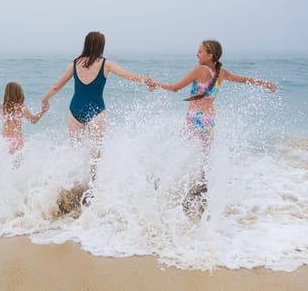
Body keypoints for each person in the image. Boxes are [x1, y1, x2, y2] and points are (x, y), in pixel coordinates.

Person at [150, 40, 276, 216]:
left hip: (194, 118)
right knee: (205, 156)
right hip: (209, 119)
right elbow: (243, 80)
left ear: (210, 55)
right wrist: (263, 83)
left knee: (182, 149)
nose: (197, 54)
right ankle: (201, 192)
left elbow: (174, 88)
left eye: (200, 52)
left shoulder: (199, 70)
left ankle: (166, 182)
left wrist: (154, 84)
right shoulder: (221, 72)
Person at [42, 31, 152, 182]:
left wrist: (45, 99)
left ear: (86, 44)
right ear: (101, 46)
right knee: (95, 151)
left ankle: (75, 182)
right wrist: (146, 80)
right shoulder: (106, 64)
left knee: (76, 149)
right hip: (97, 110)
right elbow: (129, 76)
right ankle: (93, 184)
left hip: (75, 109)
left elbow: (56, 86)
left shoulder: (74, 64)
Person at [0, 81, 48, 154]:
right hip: (17, 141)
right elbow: (33, 120)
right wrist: (43, 111)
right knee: (17, 164)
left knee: (5, 163)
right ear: (18, 92)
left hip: (5, 141)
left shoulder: (3, 105)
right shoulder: (20, 106)